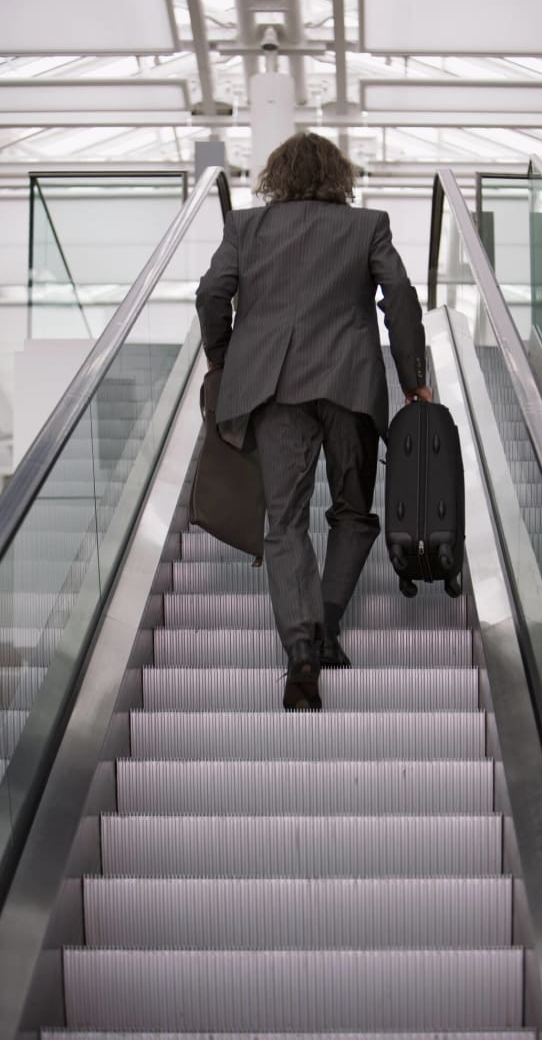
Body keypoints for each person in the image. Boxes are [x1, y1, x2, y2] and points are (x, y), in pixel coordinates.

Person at [195, 132, 430, 711]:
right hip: (351, 383)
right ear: (339, 177)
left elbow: (210, 293)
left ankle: (301, 651)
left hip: (275, 389)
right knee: (353, 510)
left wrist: (225, 359)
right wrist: (411, 376)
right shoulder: (368, 225)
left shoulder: (246, 228)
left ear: (277, 176)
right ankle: (326, 623)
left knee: (286, 520)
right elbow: (399, 293)